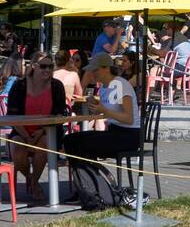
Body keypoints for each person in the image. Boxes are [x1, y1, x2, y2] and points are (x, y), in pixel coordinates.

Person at [61, 52, 143, 183]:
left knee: (82, 143)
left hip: (129, 136)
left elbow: (129, 119)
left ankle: (92, 185)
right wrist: (97, 105)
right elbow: (110, 112)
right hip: (114, 132)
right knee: (69, 140)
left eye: (95, 70)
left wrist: (103, 110)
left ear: (106, 68)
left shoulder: (120, 84)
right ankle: (86, 184)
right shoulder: (105, 87)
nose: (93, 73)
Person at [7, 51, 69, 203]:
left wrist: (41, 131)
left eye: (50, 66)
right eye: (43, 66)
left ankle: (34, 184)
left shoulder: (56, 86)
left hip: (47, 131)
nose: (47, 70)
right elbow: (12, 116)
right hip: (21, 130)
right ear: (34, 66)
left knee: (44, 145)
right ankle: (31, 178)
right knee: (18, 152)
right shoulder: (19, 86)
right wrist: (27, 137)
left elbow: (60, 114)